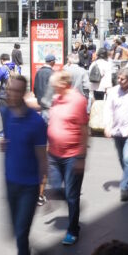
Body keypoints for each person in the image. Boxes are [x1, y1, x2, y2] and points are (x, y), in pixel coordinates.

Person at [0, 75, 47, 255]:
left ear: (24, 93)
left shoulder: (37, 122)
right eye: (9, 90)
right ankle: (33, 251)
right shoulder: (6, 113)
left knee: (20, 235)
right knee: (15, 232)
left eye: (16, 91)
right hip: (10, 181)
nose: (11, 94)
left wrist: (43, 189)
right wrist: (4, 144)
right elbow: (8, 139)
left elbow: (42, 158)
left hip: (29, 186)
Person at [46, 71, 88, 245]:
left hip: (72, 155)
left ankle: (73, 230)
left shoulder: (78, 100)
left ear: (64, 83)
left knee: (71, 195)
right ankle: (72, 198)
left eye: (53, 84)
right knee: (55, 187)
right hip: (54, 154)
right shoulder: (57, 98)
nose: (51, 87)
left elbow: (85, 130)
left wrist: (81, 156)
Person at [103, 68, 128, 201]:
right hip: (117, 131)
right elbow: (108, 109)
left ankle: (124, 187)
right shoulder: (113, 91)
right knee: (121, 158)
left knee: (127, 158)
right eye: (118, 78)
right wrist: (107, 126)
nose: (119, 81)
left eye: (122, 79)